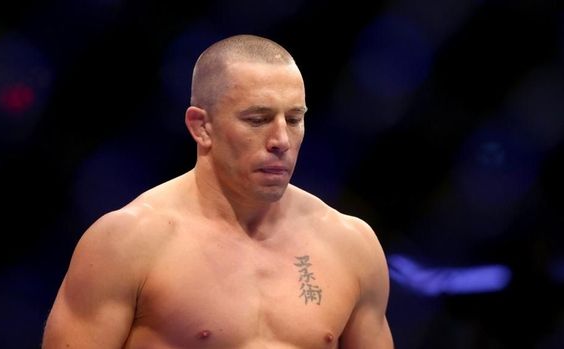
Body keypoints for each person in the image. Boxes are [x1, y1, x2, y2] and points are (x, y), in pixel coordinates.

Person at [42, 34, 394, 348]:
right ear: (202, 126)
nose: (281, 141)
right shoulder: (129, 242)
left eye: (294, 119)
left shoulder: (350, 245)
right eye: (257, 119)